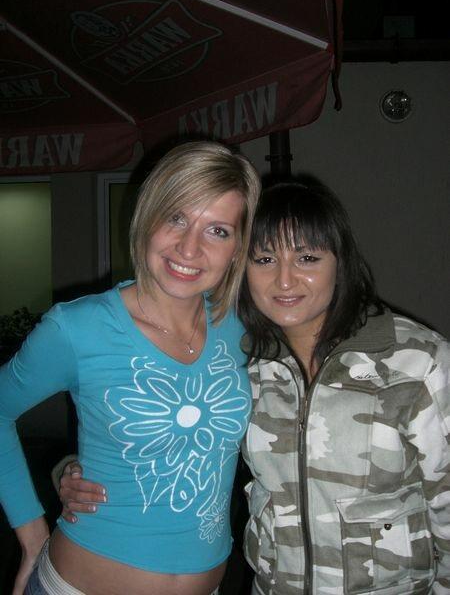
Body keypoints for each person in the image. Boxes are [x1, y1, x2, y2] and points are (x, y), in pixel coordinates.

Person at [56, 182, 450, 594]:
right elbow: (161, 432)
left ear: (341, 262)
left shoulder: (416, 362)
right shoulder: (240, 358)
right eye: (264, 259)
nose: (284, 280)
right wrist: (76, 470)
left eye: (307, 258)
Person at [0, 140, 261, 595]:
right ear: (148, 217)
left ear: (238, 248)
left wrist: (68, 465)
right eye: (176, 217)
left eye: (217, 230)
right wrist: (31, 535)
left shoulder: (242, 326)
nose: (189, 247)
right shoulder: (77, 328)